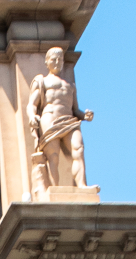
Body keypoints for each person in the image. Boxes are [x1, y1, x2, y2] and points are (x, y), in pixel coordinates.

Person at [27, 47, 94, 194]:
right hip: (50, 118)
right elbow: (32, 104)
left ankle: (82, 185)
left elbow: (75, 109)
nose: (57, 62)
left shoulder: (70, 85)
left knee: (79, 149)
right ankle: (53, 188)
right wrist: (32, 116)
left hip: (69, 120)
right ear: (47, 62)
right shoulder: (42, 81)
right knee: (53, 155)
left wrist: (85, 116)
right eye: (53, 59)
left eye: (60, 59)